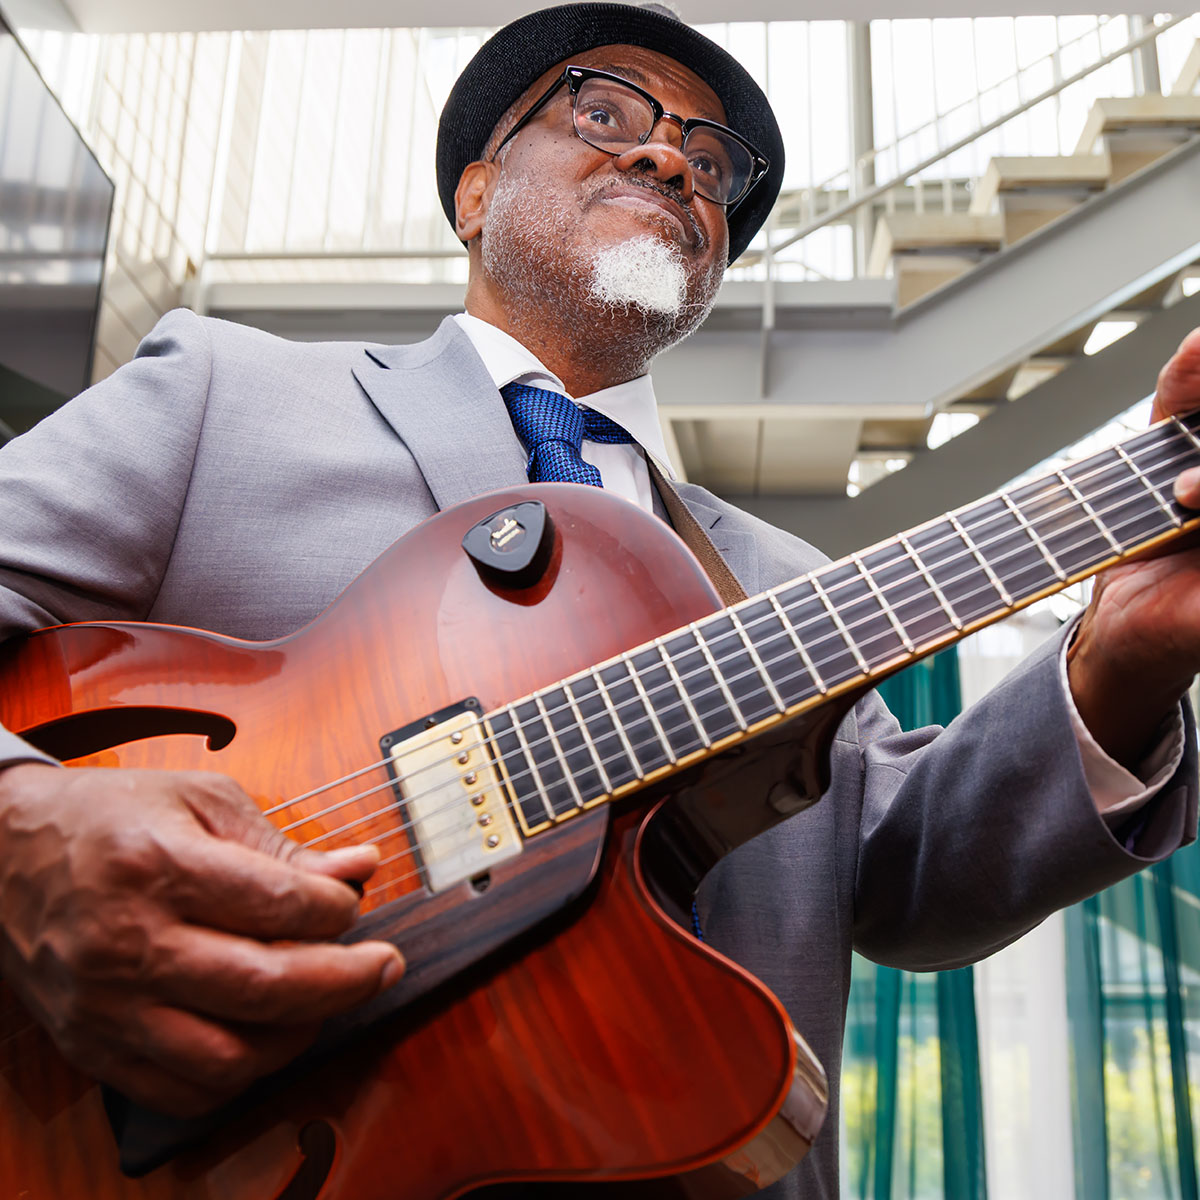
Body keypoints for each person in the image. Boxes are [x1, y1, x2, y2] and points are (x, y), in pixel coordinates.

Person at [0, 3, 1197, 1196]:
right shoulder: (223, 394)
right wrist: (21, 831)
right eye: (605, 110)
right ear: (474, 194)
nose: (672, 157)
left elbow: (919, 880)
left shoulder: (788, 589)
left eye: (712, 164)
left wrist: (1118, 661)